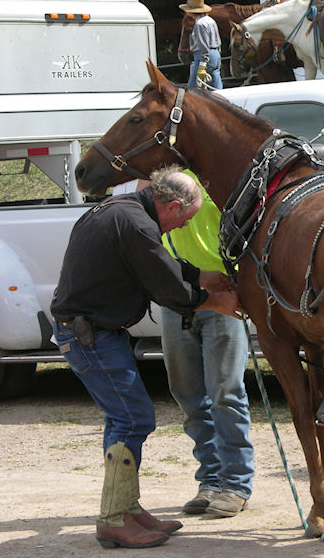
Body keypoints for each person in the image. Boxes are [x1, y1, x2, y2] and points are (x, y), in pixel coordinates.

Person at [51, 166, 241, 549]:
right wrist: (217, 300)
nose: (181, 228)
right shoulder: (137, 225)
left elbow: (157, 264)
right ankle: (115, 519)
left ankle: (126, 509)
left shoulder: (121, 210)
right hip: (91, 335)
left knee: (122, 418)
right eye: (184, 220)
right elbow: (167, 287)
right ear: (171, 207)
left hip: (91, 331)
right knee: (132, 417)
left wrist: (201, 276)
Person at [117, 173, 254, 518]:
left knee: (225, 390)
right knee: (187, 392)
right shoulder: (155, 182)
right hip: (178, 298)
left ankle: (235, 483)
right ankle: (210, 479)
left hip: (219, 293)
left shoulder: (209, 173)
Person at [179, 0, 223, 89]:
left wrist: (202, 64)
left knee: (192, 89)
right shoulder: (211, 20)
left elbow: (204, 45)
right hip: (216, 54)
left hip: (203, 56)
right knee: (216, 87)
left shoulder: (200, 24)